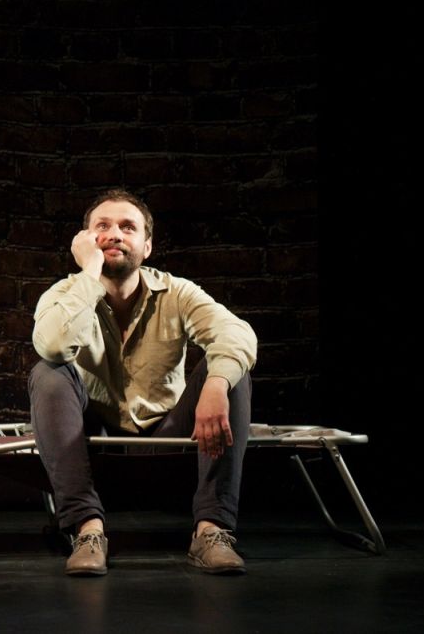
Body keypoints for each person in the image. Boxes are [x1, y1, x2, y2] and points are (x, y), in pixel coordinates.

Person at [29, 188, 257, 576]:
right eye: (102, 226)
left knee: (229, 370)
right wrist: (90, 274)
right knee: (48, 371)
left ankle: (211, 532)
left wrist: (216, 384)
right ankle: (87, 532)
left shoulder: (178, 292)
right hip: (94, 437)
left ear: (147, 247)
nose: (114, 234)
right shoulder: (65, 294)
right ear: (85, 241)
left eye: (128, 227)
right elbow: (52, 345)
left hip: (169, 434)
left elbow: (237, 333)